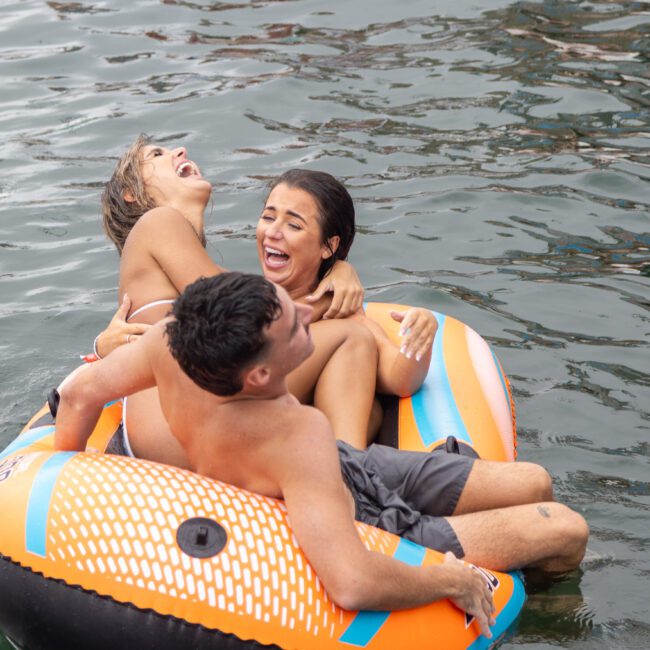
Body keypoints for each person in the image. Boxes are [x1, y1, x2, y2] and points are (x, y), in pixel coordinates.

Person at [56, 273, 588, 629]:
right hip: (356, 512)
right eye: (294, 325)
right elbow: (352, 581)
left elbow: (79, 394)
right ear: (260, 375)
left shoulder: (170, 342)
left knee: (534, 481)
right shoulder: (295, 434)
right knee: (565, 530)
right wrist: (447, 577)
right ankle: (542, 618)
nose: (308, 317)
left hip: (345, 468)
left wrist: (61, 477)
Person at [95, 136, 377, 463]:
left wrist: (337, 270)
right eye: (157, 154)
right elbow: (251, 320)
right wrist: (334, 285)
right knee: (351, 336)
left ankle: (345, 470)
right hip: (172, 431)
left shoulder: (174, 258)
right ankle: (355, 480)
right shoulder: (158, 222)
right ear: (132, 194)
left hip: (178, 424)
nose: (181, 151)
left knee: (372, 408)